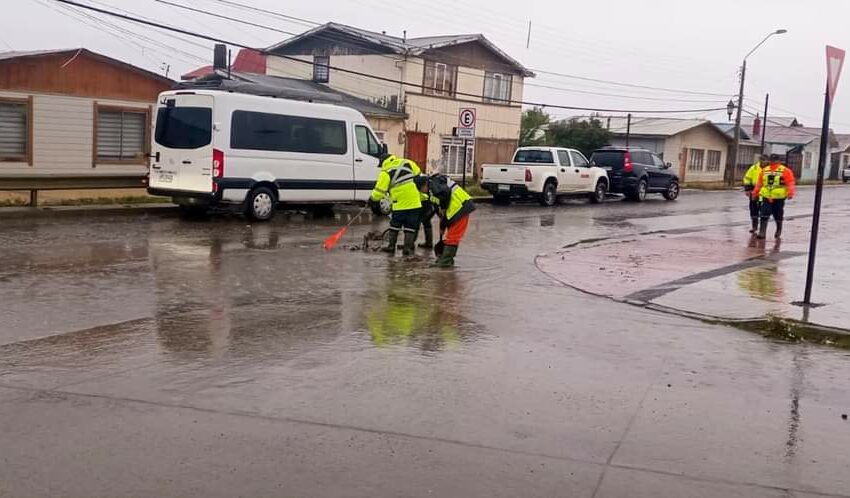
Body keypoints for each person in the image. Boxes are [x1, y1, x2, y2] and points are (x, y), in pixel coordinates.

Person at [369, 154, 423, 256]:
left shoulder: (385, 172)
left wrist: (372, 199)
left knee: (395, 225)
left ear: (383, 162)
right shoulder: (407, 162)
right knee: (410, 226)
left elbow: (380, 190)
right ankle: (407, 249)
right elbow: (419, 176)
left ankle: (391, 247)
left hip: (400, 204)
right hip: (415, 202)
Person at [426, 174, 476, 267]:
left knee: (453, 236)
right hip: (455, 210)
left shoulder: (433, 185)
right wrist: (442, 227)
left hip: (460, 208)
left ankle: (445, 262)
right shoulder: (433, 190)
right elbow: (441, 213)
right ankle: (447, 260)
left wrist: (444, 208)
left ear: (423, 185)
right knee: (451, 236)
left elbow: (446, 193)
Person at [753, 153, 795, 240]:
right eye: (771, 160)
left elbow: (790, 182)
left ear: (778, 161)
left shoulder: (785, 170)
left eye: (774, 160)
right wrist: (755, 193)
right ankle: (762, 232)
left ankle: (778, 229)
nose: (773, 162)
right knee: (764, 213)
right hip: (766, 196)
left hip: (779, 197)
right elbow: (759, 183)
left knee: (778, 214)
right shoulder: (765, 170)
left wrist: (790, 192)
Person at [743, 154, 767, 234]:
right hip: (754, 190)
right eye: (762, 160)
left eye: (765, 160)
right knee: (753, 207)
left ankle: (762, 228)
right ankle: (754, 226)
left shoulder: (769, 169)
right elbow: (747, 178)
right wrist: (748, 189)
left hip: (764, 191)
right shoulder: (754, 168)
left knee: (762, 208)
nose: (764, 162)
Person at [414, 176, 436, 250]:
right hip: (427, 203)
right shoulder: (430, 183)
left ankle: (410, 243)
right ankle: (429, 243)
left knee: (416, 222)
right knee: (426, 222)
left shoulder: (417, 181)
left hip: (421, 203)